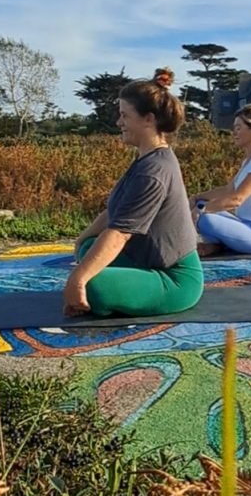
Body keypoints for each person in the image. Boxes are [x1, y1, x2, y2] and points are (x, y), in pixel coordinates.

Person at [64, 79, 203, 317]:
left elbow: (120, 233)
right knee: (89, 248)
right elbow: (115, 212)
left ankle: (109, 296)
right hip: (146, 260)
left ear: (149, 119)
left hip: (175, 279)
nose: (119, 122)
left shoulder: (153, 172)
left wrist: (77, 280)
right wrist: (82, 240)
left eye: (125, 116)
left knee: (92, 285)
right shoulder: (146, 160)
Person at [190, 104, 251, 256]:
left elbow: (236, 199)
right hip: (244, 225)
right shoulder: (249, 159)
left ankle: (216, 244)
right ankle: (218, 245)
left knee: (204, 218)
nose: (234, 133)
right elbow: (228, 190)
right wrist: (197, 198)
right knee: (200, 206)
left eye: (239, 128)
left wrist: (200, 211)